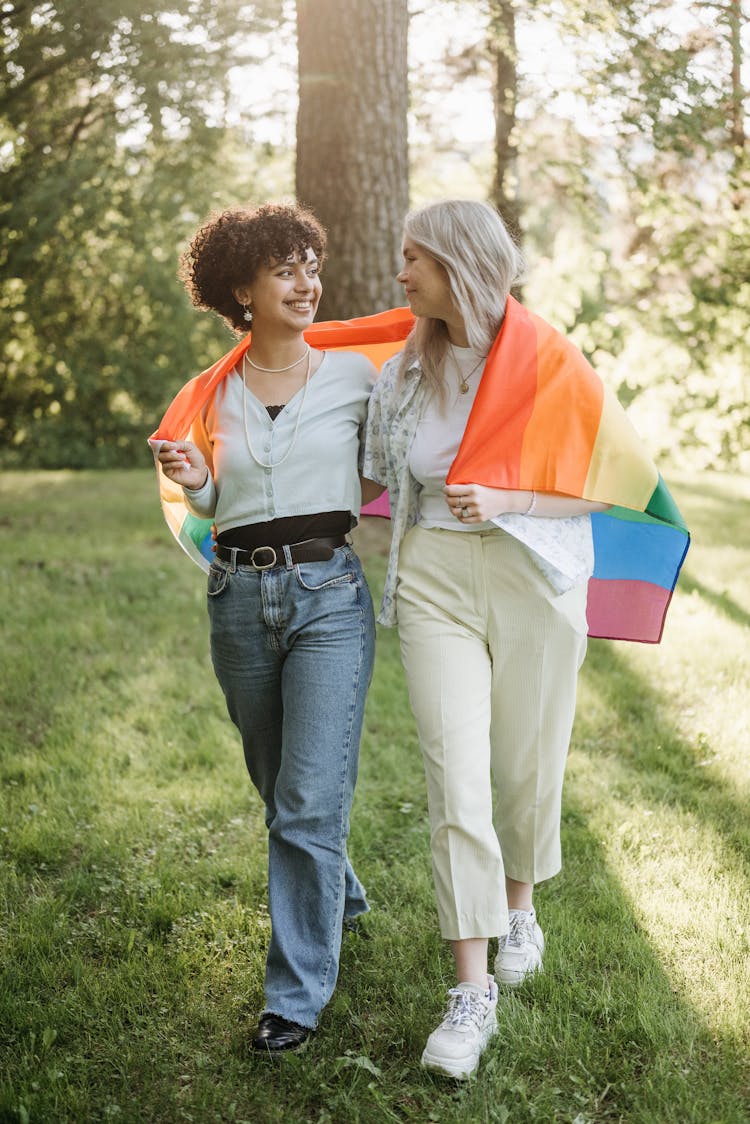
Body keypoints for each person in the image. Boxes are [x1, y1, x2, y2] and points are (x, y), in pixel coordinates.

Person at [361, 198, 688, 1080]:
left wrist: (510, 499)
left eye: (414, 260)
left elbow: (609, 485)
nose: (401, 277)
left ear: (459, 262)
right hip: (432, 578)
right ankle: (472, 992)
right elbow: (365, 471)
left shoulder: (549, 361)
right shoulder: (403, 375)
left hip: (533, 574)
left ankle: (521, 906)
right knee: (455, 780)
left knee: (525, 765)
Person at [154, 202, 380, 1054]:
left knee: (307, 800)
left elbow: (398, 460)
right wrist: (197, 473)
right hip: (238, 598)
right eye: (284, 269)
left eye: (309, 265)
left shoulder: (357, 377)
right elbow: (217, 504)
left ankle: (295, 995)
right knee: (277, 784)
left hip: (328, 596)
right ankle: (339, 895)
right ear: (240, 290)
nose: (305, 282)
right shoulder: (213, 391)